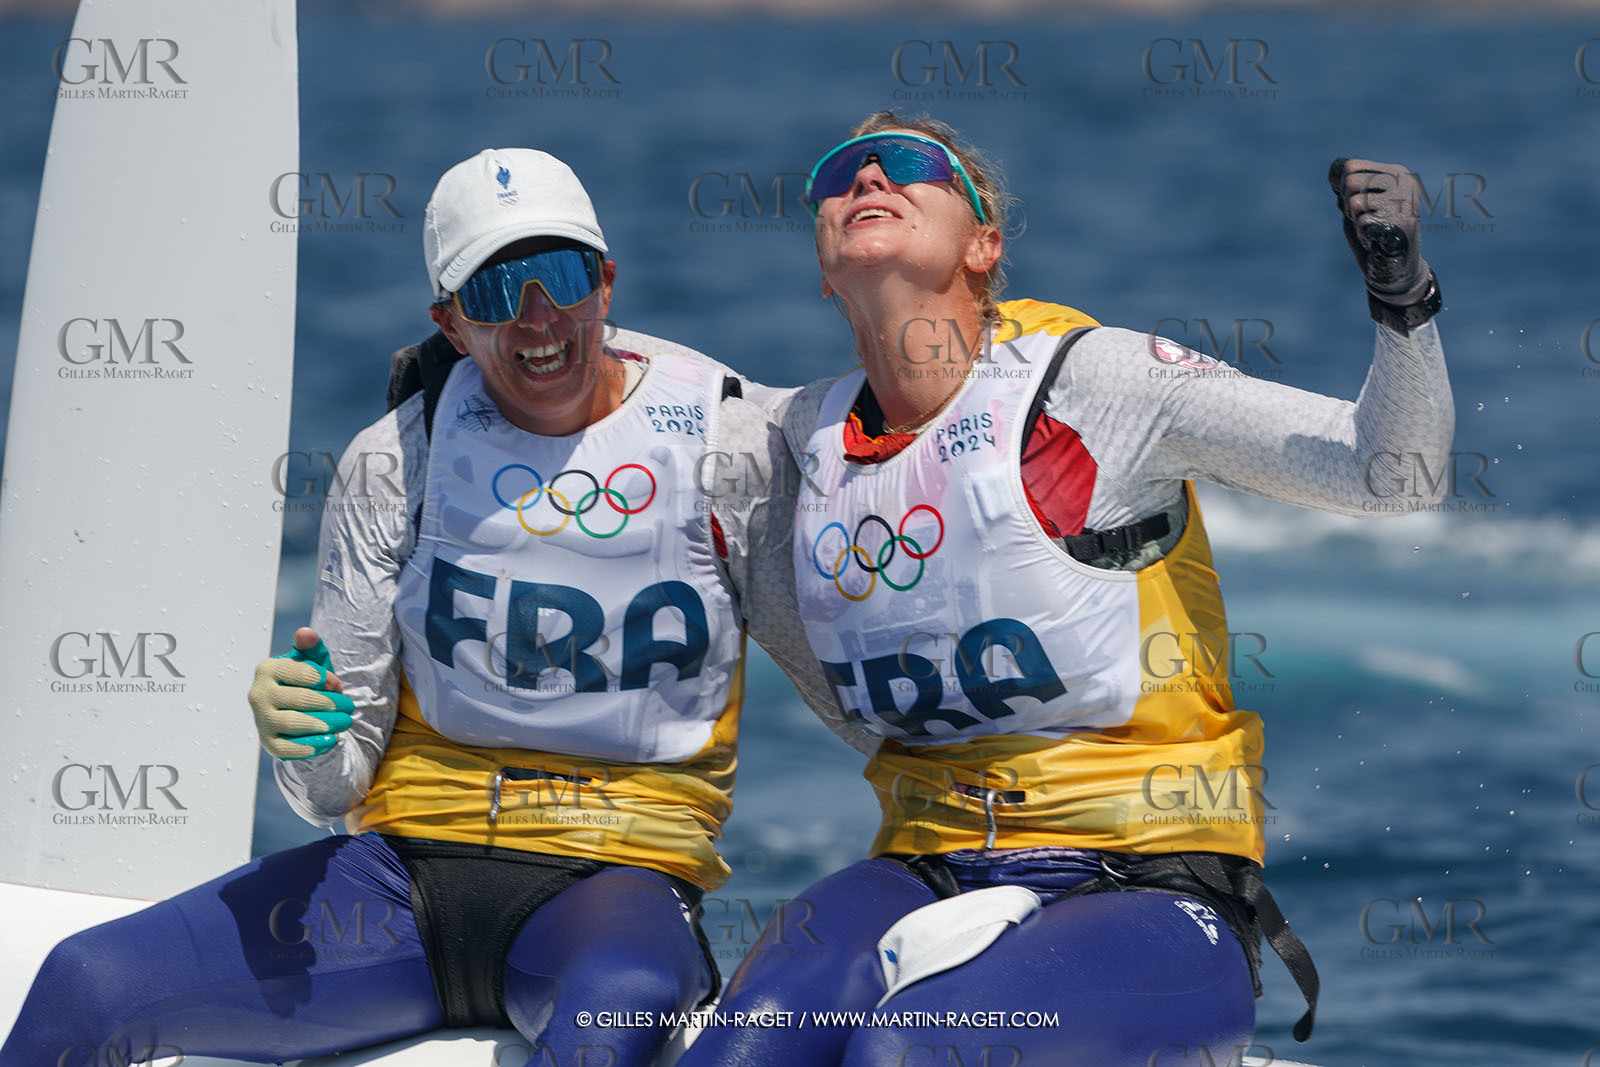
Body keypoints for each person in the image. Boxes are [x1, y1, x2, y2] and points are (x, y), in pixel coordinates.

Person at [1, 148, 846, 1067]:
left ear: (605, 283)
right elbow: (331, 791)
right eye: (494, 291)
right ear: (448, 321)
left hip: (616, 880)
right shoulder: (391, 461)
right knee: (82, 984)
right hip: (395, 878)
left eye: (560, 276)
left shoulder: (728, 446)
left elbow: (840, 679)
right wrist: (305, 738)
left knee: (618, 1011)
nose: (537, 319)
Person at [679, 113, 1453, 1067]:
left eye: (913, 163)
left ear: (983, 243)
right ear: (824, 263)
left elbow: (1396, 474)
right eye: (839, 175)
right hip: (928, 860)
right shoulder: (791, 440)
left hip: (1149, 882)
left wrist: (1401, 296)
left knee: (916, 1052)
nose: (869, 172)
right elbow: (608, 390)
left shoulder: (1097, 386)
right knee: (736, 1057)